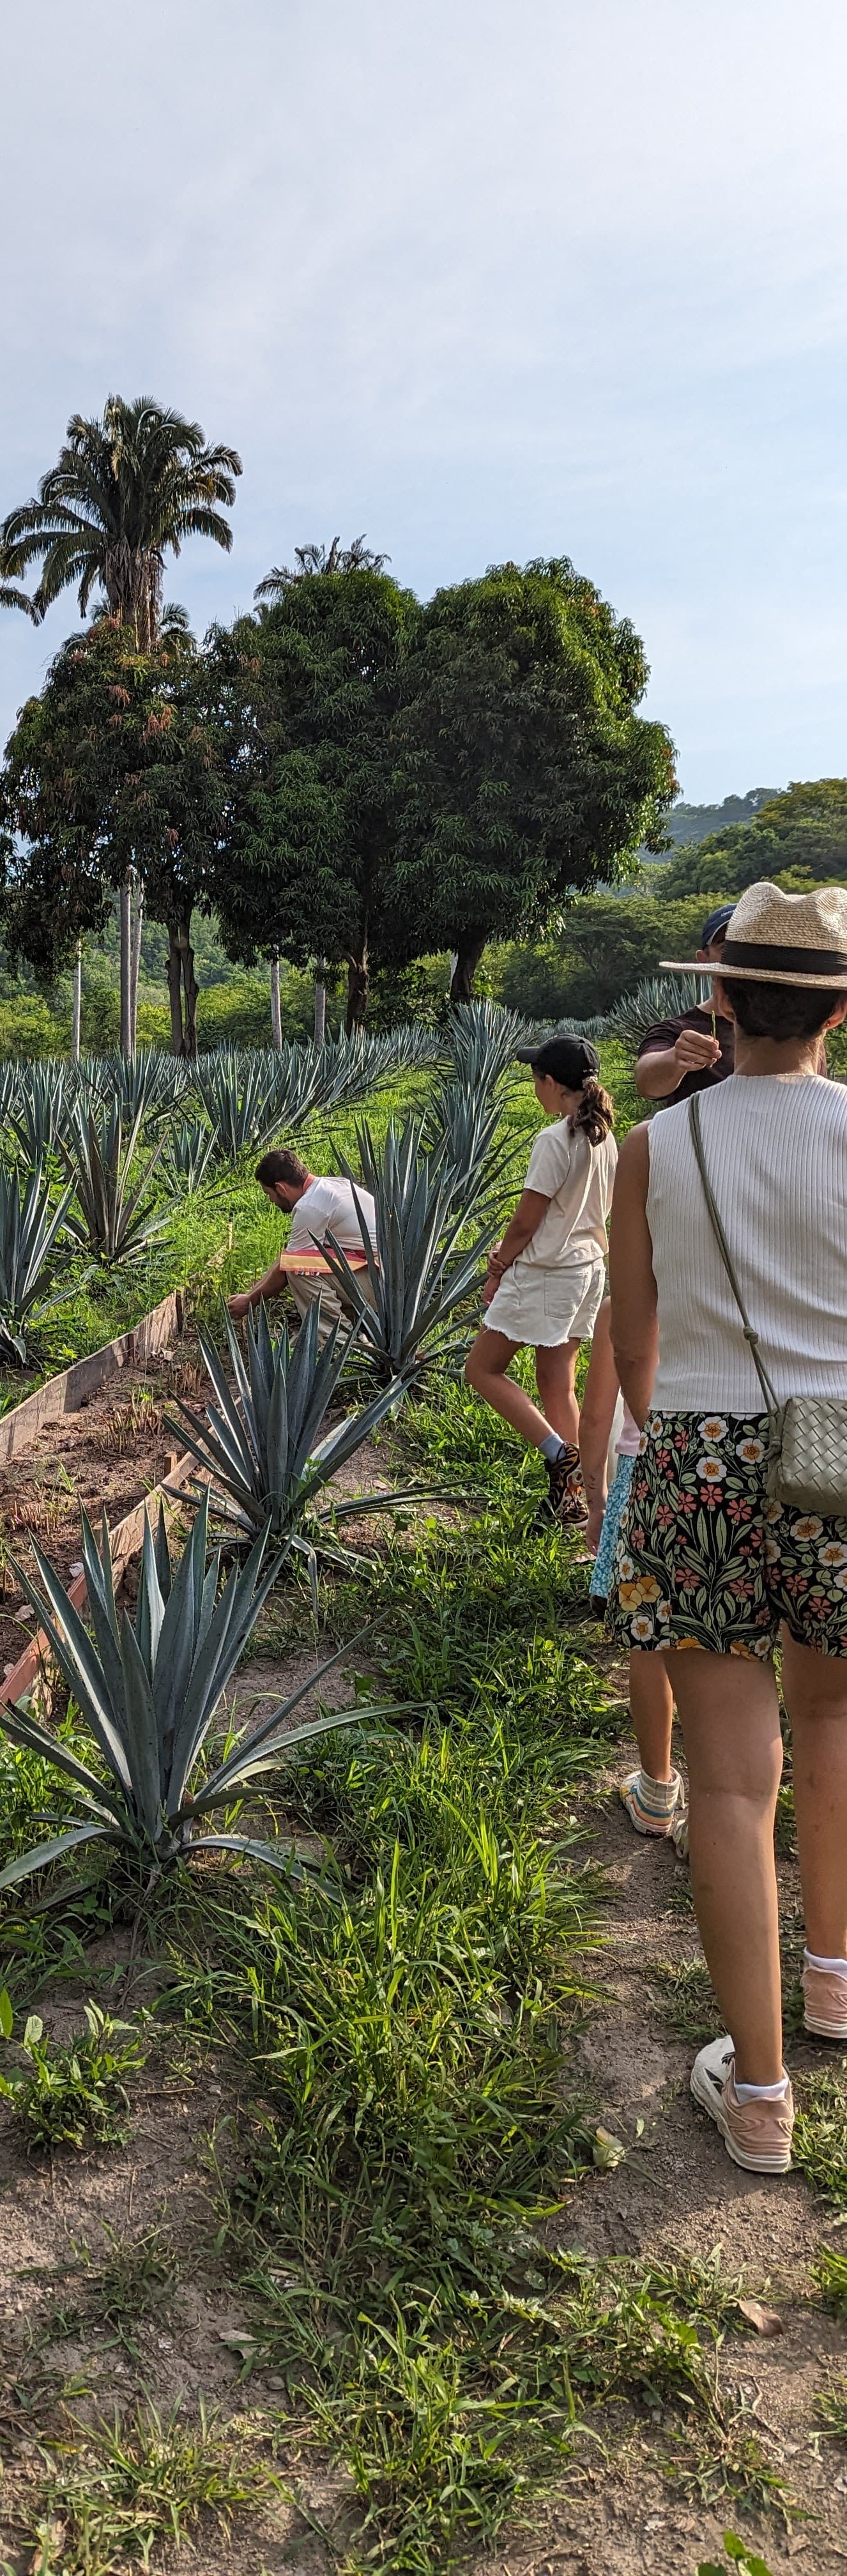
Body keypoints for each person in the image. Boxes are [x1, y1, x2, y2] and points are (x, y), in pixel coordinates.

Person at [609, 879, 847, 2178]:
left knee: (733, 1777)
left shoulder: (662, 1146)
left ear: (720, 997)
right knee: (834, 1722)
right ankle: (835, 1981)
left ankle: (758, 2097)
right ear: (840, 1009)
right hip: (841, 1445)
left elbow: (633, 1336)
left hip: (699, 1444)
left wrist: (677, 1444)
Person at [464, 1034, 617, 1525]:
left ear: (551, 1083)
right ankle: (586, 1493)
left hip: (548, 1272)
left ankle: (558, 1454)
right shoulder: (604, 1137)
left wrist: (497, 1267)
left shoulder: (555, 1140)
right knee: (557, 1383)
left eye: (536, 1079)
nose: (534, 1088)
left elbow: (527, 1221)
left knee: (481, 1370)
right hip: (588, 1270)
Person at [581, 1300, 686, 1847]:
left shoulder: (623, 1305)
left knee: (650, 1641)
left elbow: (598, 1413)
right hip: (732, 1463)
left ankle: (656, 1791)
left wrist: (596, 1499)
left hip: (648, 1475)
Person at [226, 1148, 376, 1332]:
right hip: (379, 1280)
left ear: (281, 1188)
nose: (271, 1200)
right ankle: (357, 1330)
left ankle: (336, 1342)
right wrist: (249, 1295)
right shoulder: (334, 1185)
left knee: (299, 1271)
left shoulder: (311, 1207)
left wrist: (249, 1303)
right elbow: (287, 1258)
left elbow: (290, 1267)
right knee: (298, 1261)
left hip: (377, 1285)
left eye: (269, 1193)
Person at [634, 903, 736, 1105]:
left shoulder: (790, 1028)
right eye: (726, 947)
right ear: (703, 959)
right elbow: (646, 1080)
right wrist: (676, 1058)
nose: (737, 956)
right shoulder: (675, 1030)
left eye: (746, 945)